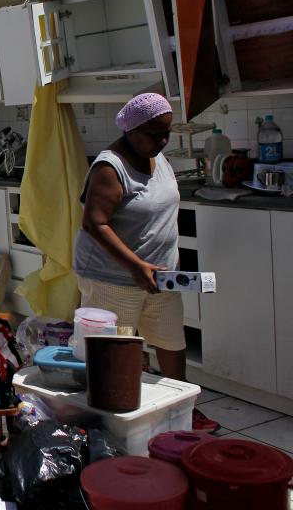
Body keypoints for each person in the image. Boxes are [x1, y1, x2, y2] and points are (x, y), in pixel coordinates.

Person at [72, 93, 217, 432]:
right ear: (132, 131)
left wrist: (151, 268)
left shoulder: (156, 156)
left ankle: (182, 409)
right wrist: (136, 265)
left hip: (161, 277)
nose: (162, 141)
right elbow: (94, 223)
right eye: (155, 134)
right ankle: (113, 420)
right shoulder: (110, 167)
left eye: (166, 133)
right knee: (115, 353)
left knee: (171, 343)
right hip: (113, 279)